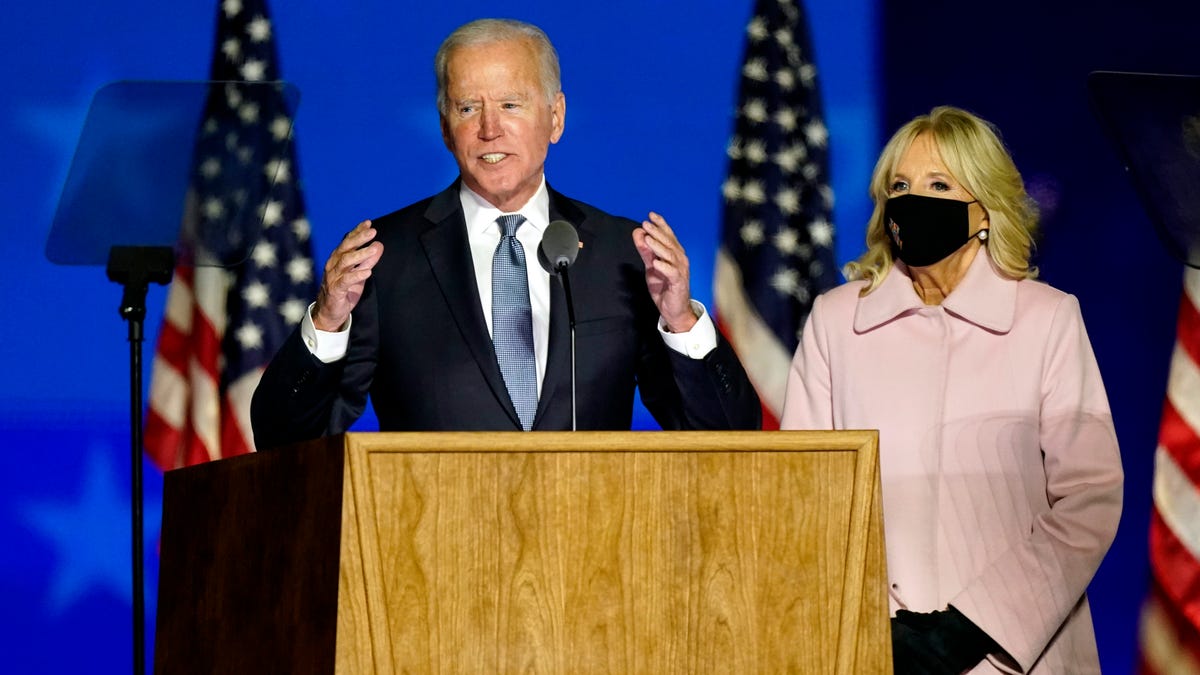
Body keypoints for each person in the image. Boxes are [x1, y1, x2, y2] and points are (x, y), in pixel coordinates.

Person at [250, 18, 760, 447]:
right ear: (446, 126)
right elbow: (283, 441)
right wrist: (329, 322)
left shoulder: (622, 254)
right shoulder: (385, 257)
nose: (489, 129)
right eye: (468, 108)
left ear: (555, 117)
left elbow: (727, 433)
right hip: (432, 550)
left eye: (511, 105)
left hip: (594, 546)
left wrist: (681, 322)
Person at [780, 106, 1122, 674]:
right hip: (875, 652)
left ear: (983, 209)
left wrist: (969, 628)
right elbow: (807, 498)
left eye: (938, 184)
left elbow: (1089, 498)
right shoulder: (836, 324)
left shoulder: (1047, 319)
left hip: (1018, 657)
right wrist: (881, 629)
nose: (914, 199)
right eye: (900, 186)